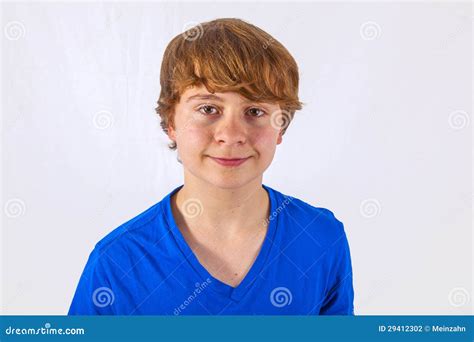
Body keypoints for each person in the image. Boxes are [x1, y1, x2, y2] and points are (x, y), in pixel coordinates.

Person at [68, 17, 354, 315]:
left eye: (255, 111)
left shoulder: (320, 238)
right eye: (208, 109)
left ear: (281, 126)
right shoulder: (118, 263)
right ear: (170, 123)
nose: (230, 135)